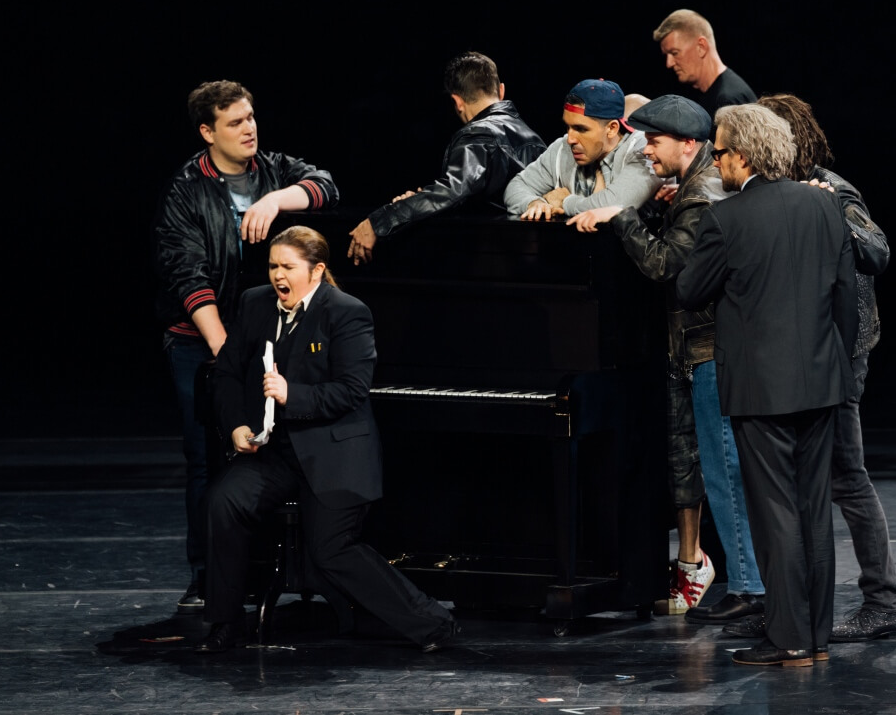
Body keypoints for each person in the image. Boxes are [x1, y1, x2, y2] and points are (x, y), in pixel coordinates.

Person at [197, 226, 458, 653]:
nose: (278, 275)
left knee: (331, 549)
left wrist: (291, 394)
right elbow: (225, 373)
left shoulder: (347, 312)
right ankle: (225, 623)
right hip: (274, 452)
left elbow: (352, 390)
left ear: (316, 270)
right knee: (224, 500)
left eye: (288, 267)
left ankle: (433, 623)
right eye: (272, 266)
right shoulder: (255, 303)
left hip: (334, 451)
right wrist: (236, 427)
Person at [565, 95, 765, 621]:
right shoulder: (694, 188)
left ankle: (749, 586)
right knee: (709, 468)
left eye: (654, 142)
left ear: (690, 144)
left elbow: (663, 266)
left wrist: (624, 216)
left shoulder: (702, 195)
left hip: (708, 351)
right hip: (695, 349)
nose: (646, 151)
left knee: (722, 471)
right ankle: (743, 580)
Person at [676, 103, 858, 668]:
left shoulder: (726, 219)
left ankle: (790, 638)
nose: (719, 161)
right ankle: (817, 636)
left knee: (775, 513)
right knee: (811, 513)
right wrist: (836, 366)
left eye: (723, 151)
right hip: (822, 380)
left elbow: (687, 290)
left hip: (759, 389)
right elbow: (845, 299)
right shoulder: (825, 206)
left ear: (744, 156)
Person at [722, 93, 896, 643]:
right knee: (801, 483)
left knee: (846, 478)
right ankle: (791, 607)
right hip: (800, 358)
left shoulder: (831, 188)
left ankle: (883, 602)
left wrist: (831, 212)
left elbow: (878, 253)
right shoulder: (771, 195)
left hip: (837, 356)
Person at [152, 80, 339, 610]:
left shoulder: (274, 170)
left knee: (274, 449)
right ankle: (208, 575)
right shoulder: (186, 189)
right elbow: (188, 277)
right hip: (202, 340)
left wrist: (279, 198)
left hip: (271, 336)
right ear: (208, 132)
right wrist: (224, 352)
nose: (249, 128)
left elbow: (325, 185)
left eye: (251, 117)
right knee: (206, 458)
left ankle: (277, 568)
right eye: (234, 122)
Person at [346, 51, 546, 265]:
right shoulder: (535, 138)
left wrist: (381, 221)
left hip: (495, 262)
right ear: (501, 90)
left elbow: (453, 191)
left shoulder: (477, 135)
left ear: (457, 101)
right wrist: (420, 201)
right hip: (538, 259)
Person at [503, 78, 661, 220]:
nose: (570, 138)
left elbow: (613, 206)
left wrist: (564, 201)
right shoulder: (562, 147)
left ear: (612, 128)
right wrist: (535, 203)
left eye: (581, 129)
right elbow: (516, 186)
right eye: (568, 126)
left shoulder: (644, 148)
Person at [653, 10, 756, 116]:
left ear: (701, 47)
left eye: (674, 53)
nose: (669, 63)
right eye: (666, 55)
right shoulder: (713, 95)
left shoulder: (729, 101)